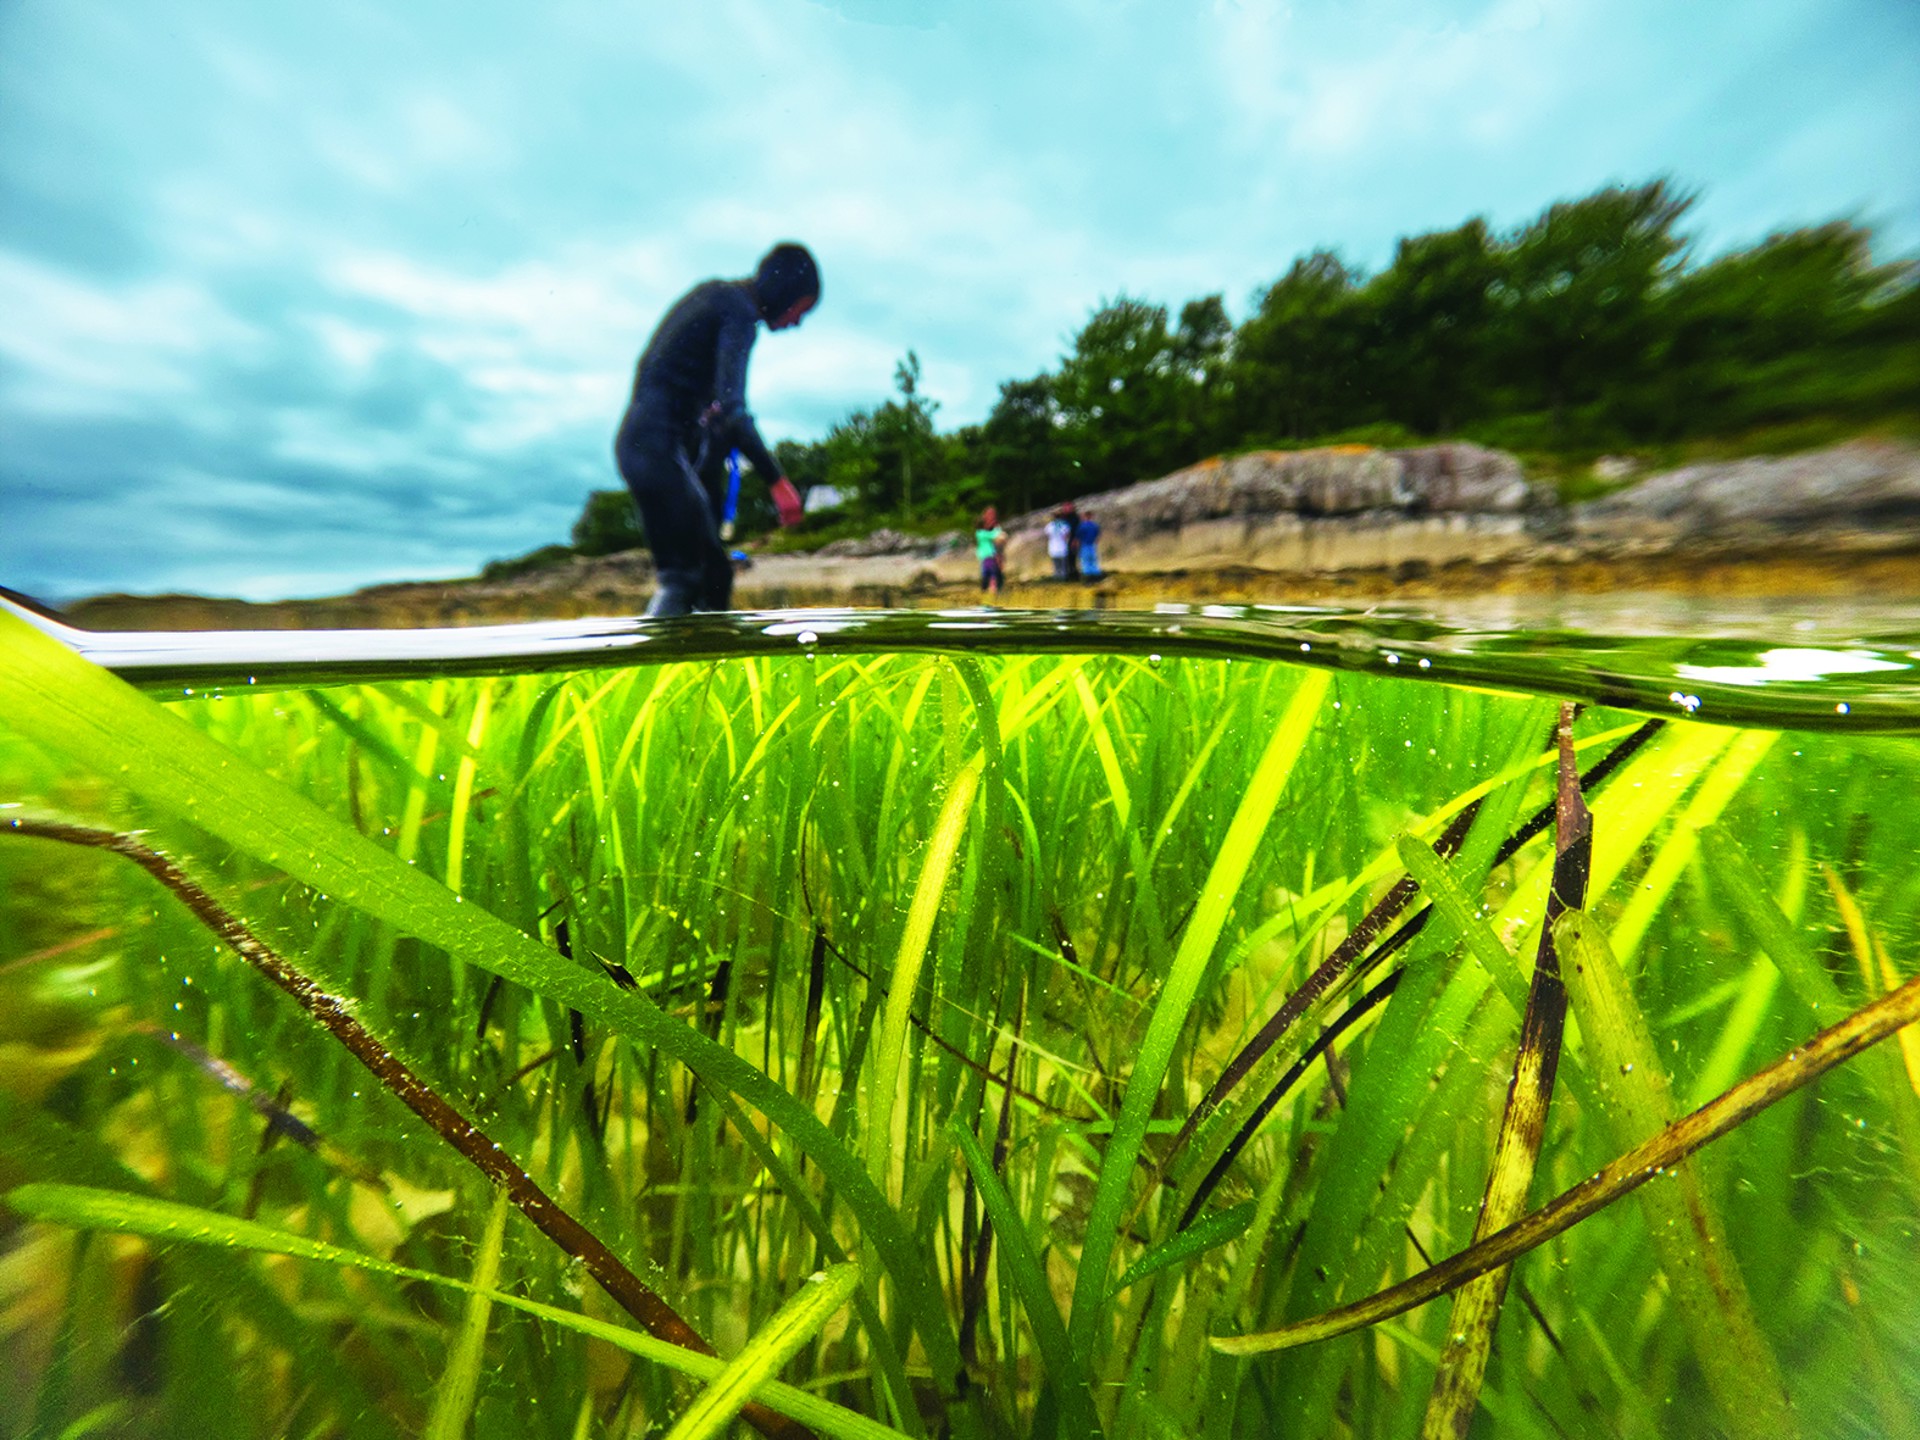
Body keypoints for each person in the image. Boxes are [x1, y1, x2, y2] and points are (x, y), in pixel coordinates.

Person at [614, 243, 817, 617]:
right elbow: (732, 409)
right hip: (657, 451)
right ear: (784, 291)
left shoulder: (714, 297)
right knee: (690, 577)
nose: (795, 322)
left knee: (708, 575)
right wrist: (777, 481)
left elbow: (701, 409)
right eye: (799, 310)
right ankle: (669, 670)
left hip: (645, 448)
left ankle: (691, 670)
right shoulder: (736, 311)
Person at [975, 506, 1007, 596]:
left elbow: (1001, 540)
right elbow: (999, 537)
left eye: (993, 514)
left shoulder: (991, 530)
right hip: (988, 558)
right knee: (991, 578)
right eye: (989, 514)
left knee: (995, 578)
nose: (992, 517)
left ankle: (992, 595)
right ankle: (991, 595)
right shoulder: (982, 533)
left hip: (994, 557)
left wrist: (1000, 557)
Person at [1045, 507, 1073, 581]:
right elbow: (1067, 536)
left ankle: (1057, 576)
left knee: (1056, 564)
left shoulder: (1050, 525)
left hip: (1053, 547)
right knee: (1063, 564)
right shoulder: (1065, 525)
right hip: (1062, 546)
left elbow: (1048, 536)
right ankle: (1063, 577)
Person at [1076, 509, 1103, 579]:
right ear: (1091, 516)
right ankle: (1096, 574)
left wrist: (1077, 546)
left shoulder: (1081, 526)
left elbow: (1078, 537)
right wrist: (1096, 543)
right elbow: (1098, 536)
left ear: (1085, 516)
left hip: (1084, 545)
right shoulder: (1095, 526)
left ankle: (1088, 576)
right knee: (1093, 560)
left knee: (1085, 561)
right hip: (1092, 545)